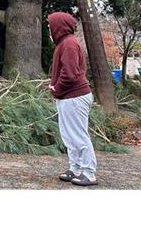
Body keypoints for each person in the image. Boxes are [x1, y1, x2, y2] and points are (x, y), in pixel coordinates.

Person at [47, 11, 98, 186]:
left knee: (78, 135)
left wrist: (56, 89)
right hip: (69, 97)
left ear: (58, 26)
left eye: (50, 25)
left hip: (75, 97)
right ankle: (75, 169)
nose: (48, 28)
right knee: (69, 136)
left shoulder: (68, 44)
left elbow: (69, 74)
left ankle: (89, 172)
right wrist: (58, 90)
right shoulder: (64, 43)